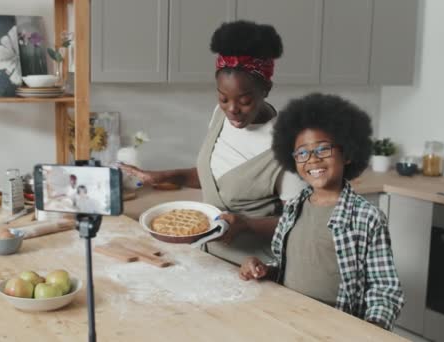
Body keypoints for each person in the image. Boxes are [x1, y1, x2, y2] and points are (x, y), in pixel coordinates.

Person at [119, 21, 306, 264]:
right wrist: (163, 177)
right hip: (208, 255)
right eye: (223, 98)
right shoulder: (220, 117)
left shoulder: (287, 147)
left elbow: (299, 223)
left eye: (244, 101)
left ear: (266, 89)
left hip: (255, 266)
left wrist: (245, 224)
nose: (232, 110)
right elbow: (216, 177)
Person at [239, 93, 404, 330]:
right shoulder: (293, 207)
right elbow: (286, 263)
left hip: (335, 327)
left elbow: (385, 288)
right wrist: (264, 269)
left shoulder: (368, 218)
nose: (313, 160)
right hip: (287, 318)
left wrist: (372, 327)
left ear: (346, 154)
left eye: (323, 149)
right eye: (302, 153)